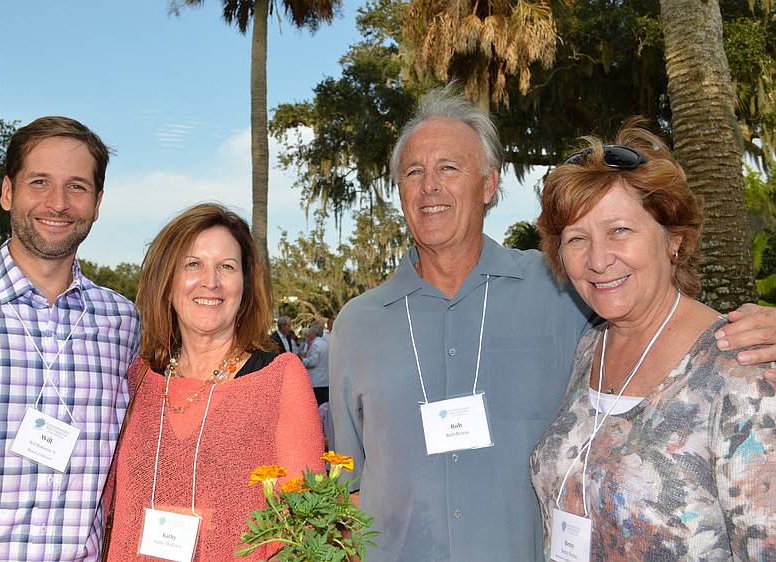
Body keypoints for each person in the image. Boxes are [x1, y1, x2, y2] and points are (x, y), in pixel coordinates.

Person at [329, 83, 776, 562]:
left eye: (449, 168)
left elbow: (663, 315)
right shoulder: (357, 325)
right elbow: (345, 487)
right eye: (413, 172)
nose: (430, 186)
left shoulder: (562, 292)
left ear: (489, 183)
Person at [529, 123, 776, 560]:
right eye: (577, 239)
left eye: (620, 230)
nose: (599, 260)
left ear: (674, 240)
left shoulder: (740, 368)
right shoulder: (590, 349)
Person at [0, 116, 141, 561]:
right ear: (8, 192)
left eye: (77, 187)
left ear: (98, 202)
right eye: (39, 181)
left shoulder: (122, 322)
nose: (58, 203)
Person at [103, 203, 324, 562]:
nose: (211, 281)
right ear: (168, 280)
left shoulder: (279, 378)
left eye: (227, 267)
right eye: (193, 264)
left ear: (245, 285)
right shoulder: (136, 379)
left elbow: (305, 524)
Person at [301, 321, 330, 406]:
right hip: (324, 380)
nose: (309, 334)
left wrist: (303, 359)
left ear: (315, 333)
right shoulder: (325, 344)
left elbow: (313, 362)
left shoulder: (316, 345)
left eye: (310, 332)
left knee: (317, 406)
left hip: (316, 381)